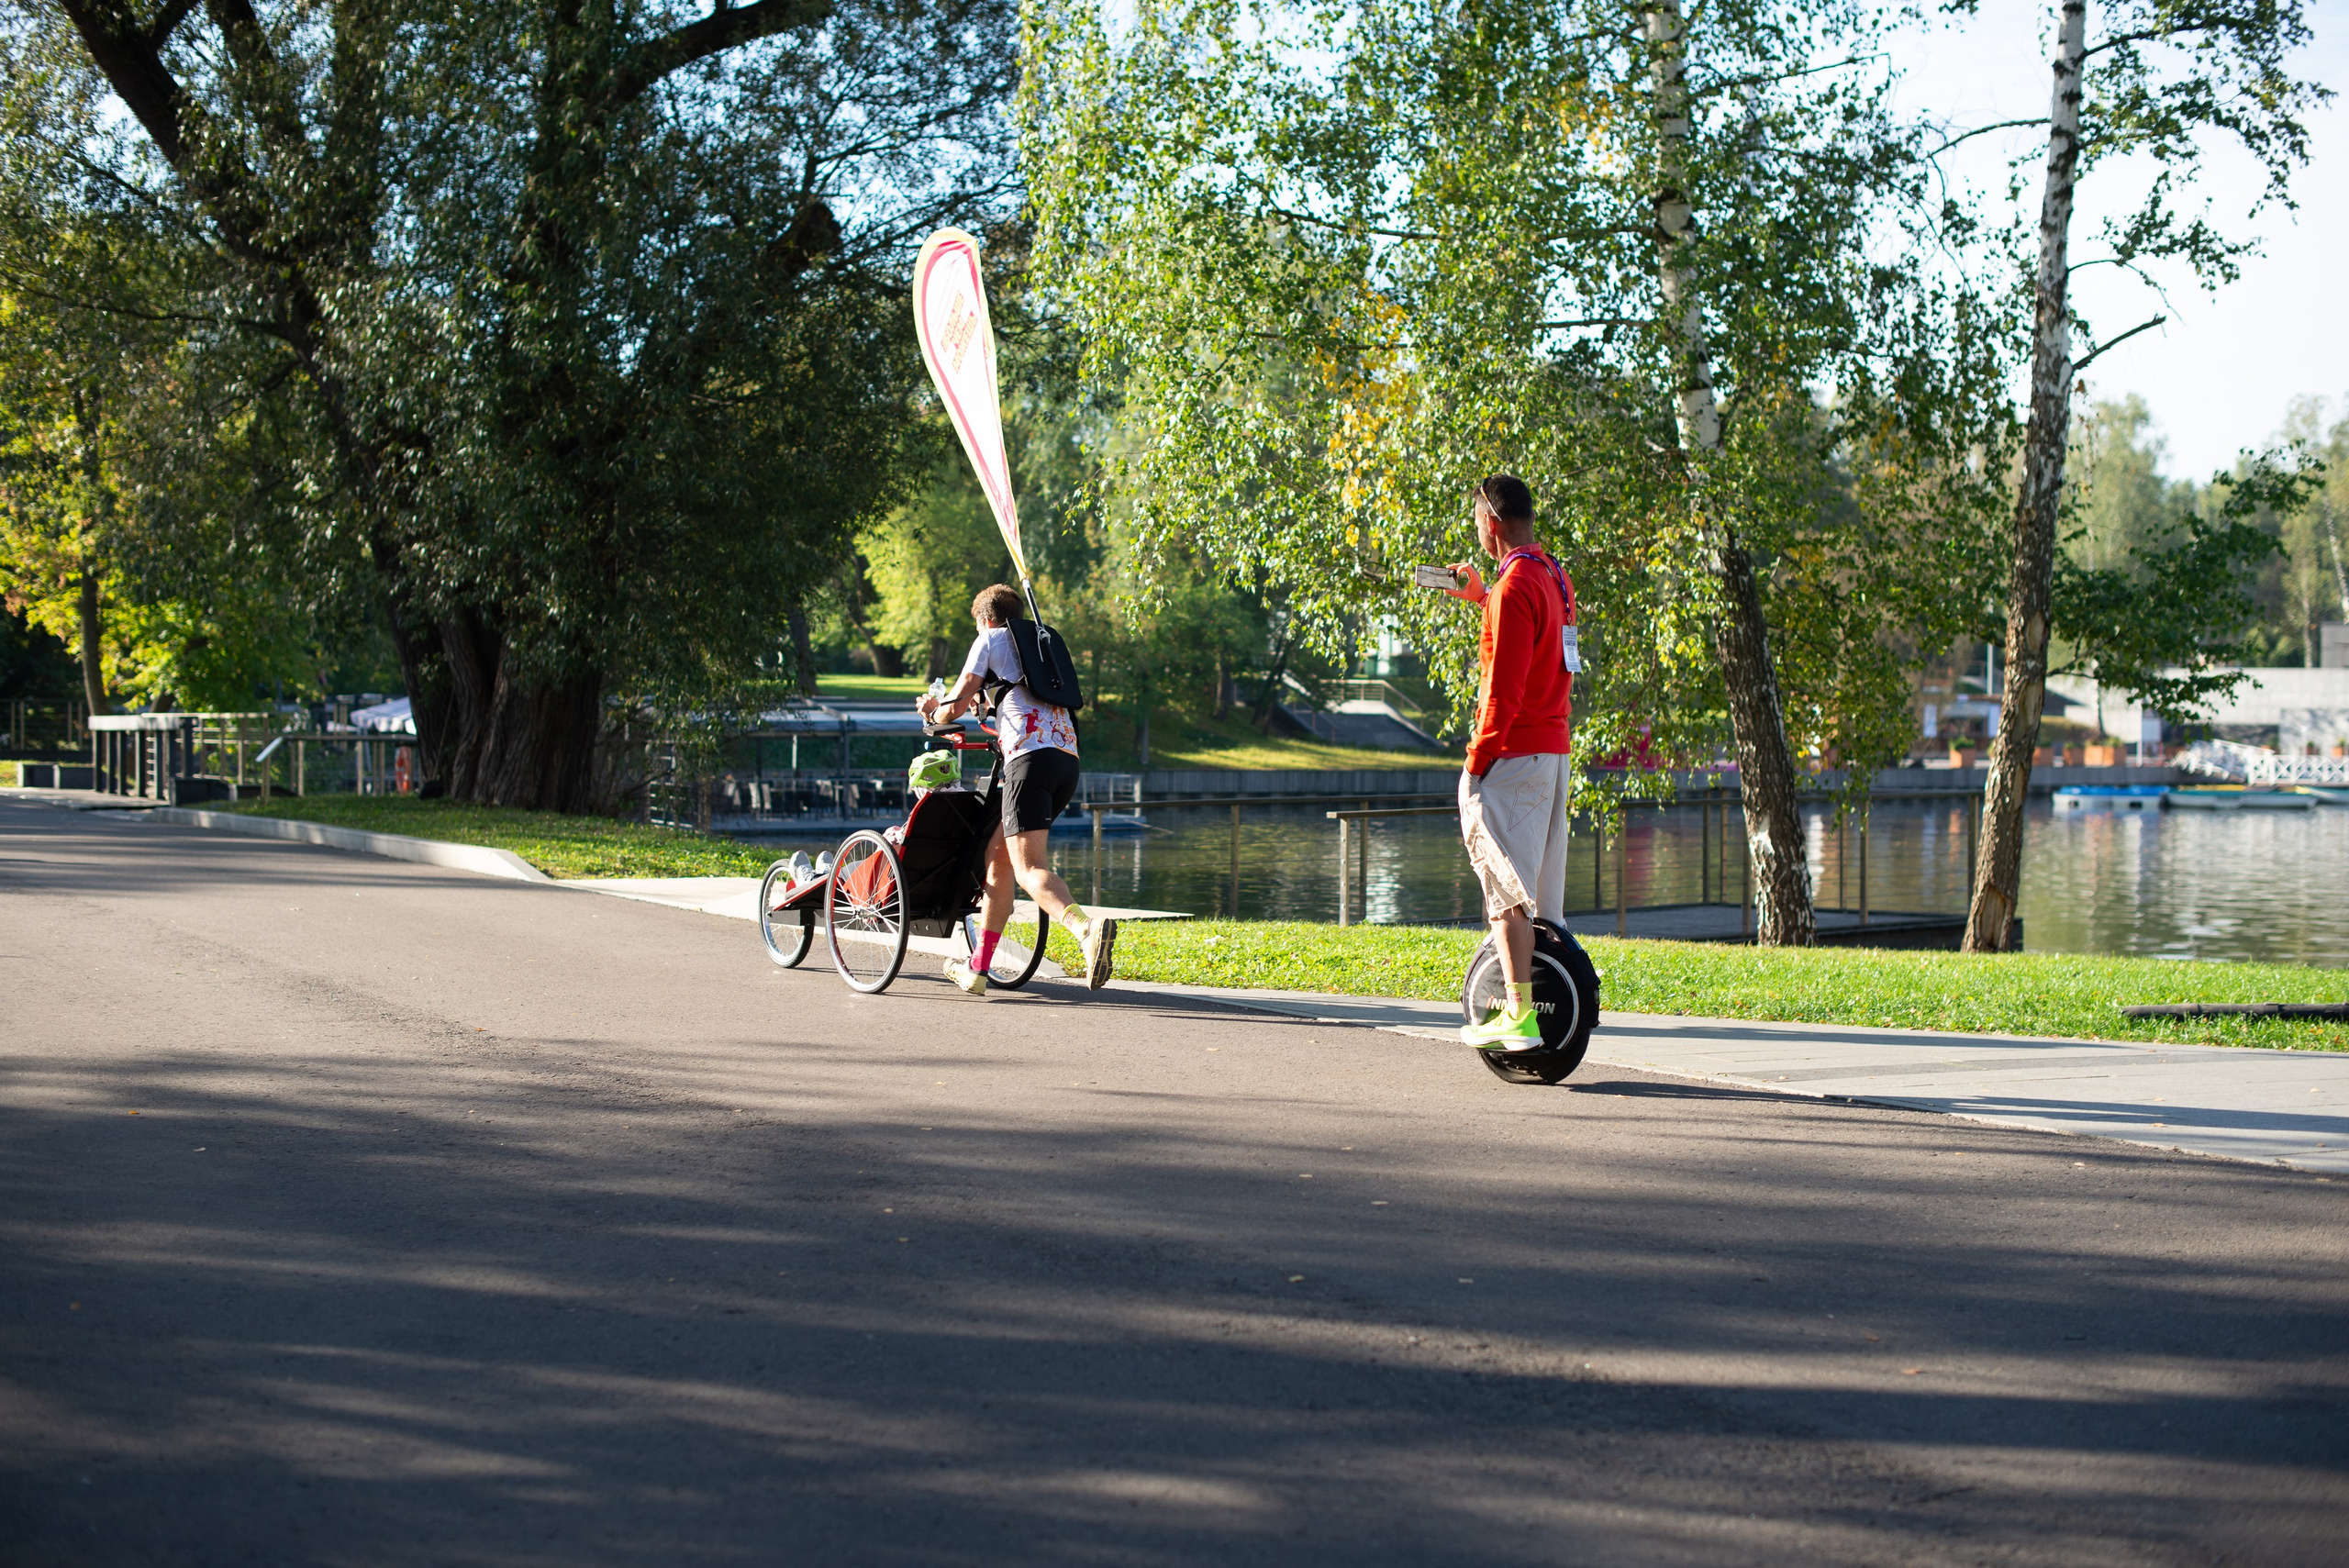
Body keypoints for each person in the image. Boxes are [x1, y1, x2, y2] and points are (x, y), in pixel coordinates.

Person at [917, 584, 1117, 995]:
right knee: (999, 859)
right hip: (1066, 759)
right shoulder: (1038, 644)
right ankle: (978, 968)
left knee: (1029, 868)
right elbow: (1023, 704)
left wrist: (932, 709)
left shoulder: (989, 638)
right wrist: (986, 710)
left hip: (1031, 760)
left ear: (986, 619)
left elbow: (952, 706)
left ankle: (1086, 929)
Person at [1442, 474, 1575, 1049]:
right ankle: (1540, 1004)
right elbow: (1543, 641)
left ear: (1491, 522)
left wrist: (1476, 761)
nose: (1476, 529)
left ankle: (1519, 1015)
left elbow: (1503, 691)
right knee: (1539, 896)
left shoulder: (1515, 586)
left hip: (1514, 756)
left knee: (1505, 893)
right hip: (1551, 751)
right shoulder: (1550, 574)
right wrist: (1482, 595)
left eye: (1476, 519)